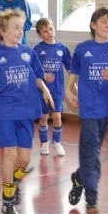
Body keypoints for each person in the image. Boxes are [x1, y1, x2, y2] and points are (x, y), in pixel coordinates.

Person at [0, 8, 54, 214]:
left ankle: (12, 184)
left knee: (25, 159)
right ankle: (7, 202)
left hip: (25, 111)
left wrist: (45, 90)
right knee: (10, 154)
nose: (21, 31)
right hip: (3, 111)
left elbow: (38, 76)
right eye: (16, 28)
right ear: (3, 31)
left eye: (22, 28)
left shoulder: (28, 52)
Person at [64, 4, 108, 214]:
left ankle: (79, 177)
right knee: (91, 150)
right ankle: (91, 197)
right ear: (93, 25)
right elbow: (74, 72)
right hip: (88, 106)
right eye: (103, 22)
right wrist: (68, 90)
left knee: (93, 149)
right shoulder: (82, 49)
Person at [33, 17, 72, 156]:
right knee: (43, 118)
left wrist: (73, 85)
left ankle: (57, 142)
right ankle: (44, 143)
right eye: (45, 31)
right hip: (42, 90)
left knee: (57, 117)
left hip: (57, 89)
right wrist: (44, 75)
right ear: (39, 34)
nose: (49, 32)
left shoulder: (62, 48)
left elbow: (70, 68)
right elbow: (34, 70)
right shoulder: (38, 49)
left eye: (50, 29)